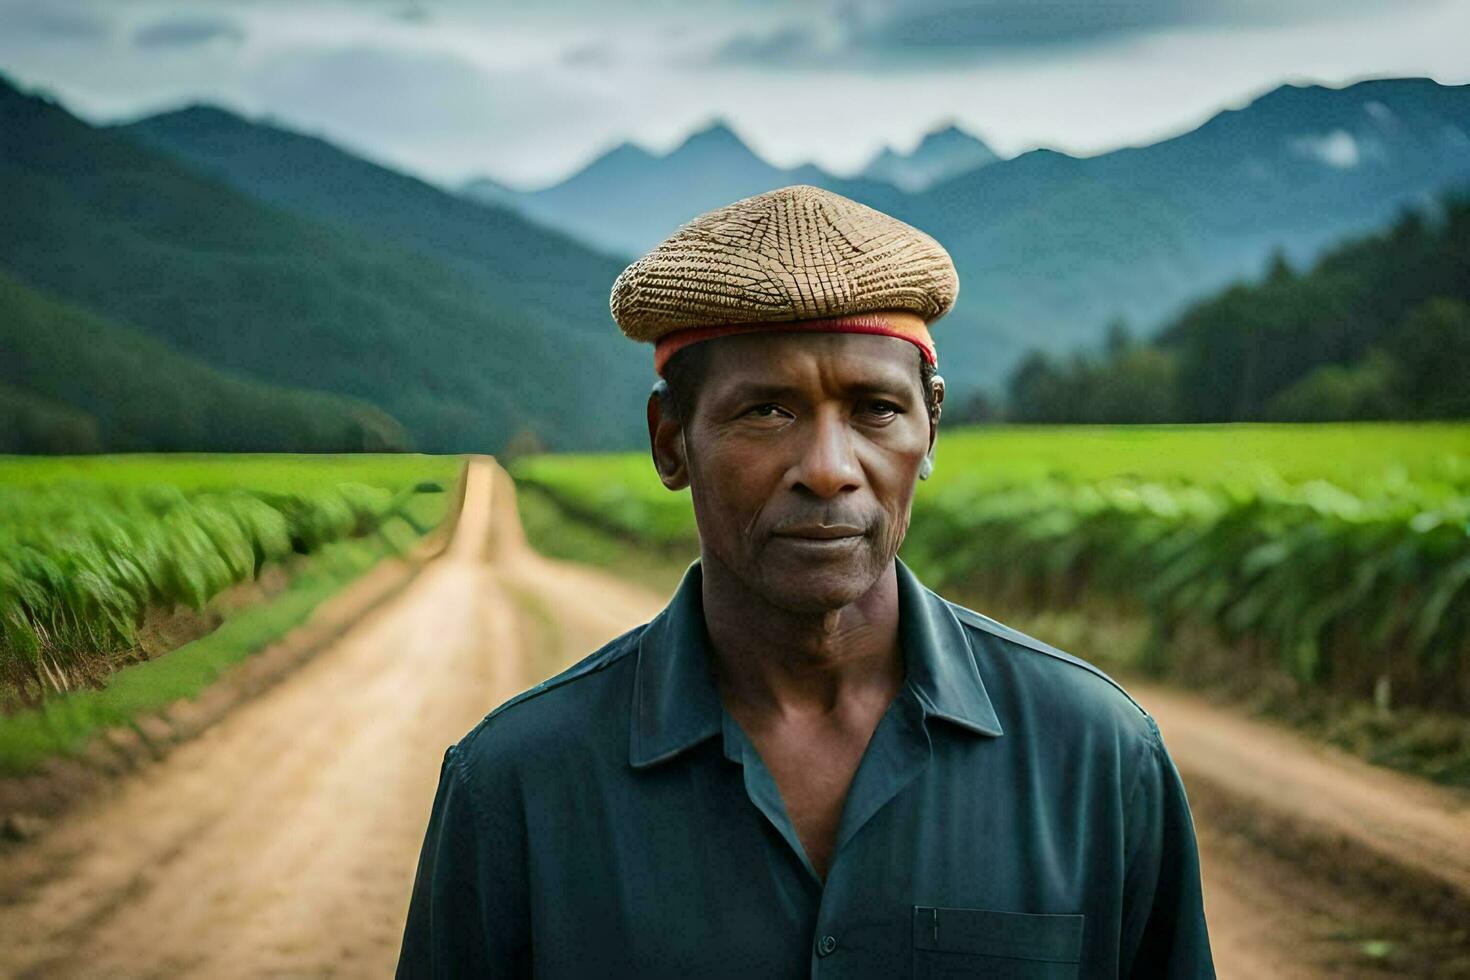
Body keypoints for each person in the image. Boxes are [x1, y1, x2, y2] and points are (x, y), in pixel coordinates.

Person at [397, 184, 1216, 978]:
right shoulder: (515, 787)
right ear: (670, 441)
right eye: (767, 411)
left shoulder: (1101, 756)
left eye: (875, 410)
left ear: (931, 426)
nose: (828, 471)